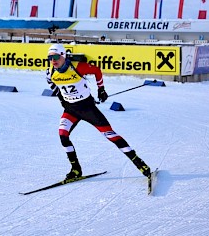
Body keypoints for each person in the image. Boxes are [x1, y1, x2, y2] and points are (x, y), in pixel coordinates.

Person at [46, 44, 151, 180]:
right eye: (50, 58)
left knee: (110, 135)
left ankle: (140, 163)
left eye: (55, 57)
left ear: (63, 56)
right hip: (71, 110)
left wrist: (101, 89)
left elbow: (96, 71)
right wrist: (62, 99)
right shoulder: (50, 71)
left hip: (88, 108)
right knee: (63, 135)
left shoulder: (78, 67)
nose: (53, 60)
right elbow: (51, 83)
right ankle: (76, 169)